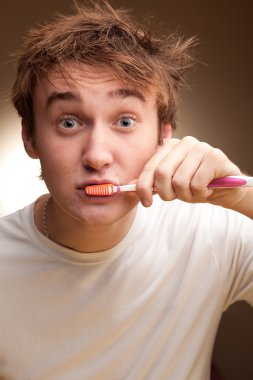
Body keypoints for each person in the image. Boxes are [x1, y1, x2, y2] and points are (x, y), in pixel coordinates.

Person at [0, 1, 252, 379]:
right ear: (30, 138)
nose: (97, 156)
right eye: (68, 122)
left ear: (163, 136)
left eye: (125, 120)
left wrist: (243, 196)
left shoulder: (214, 234)